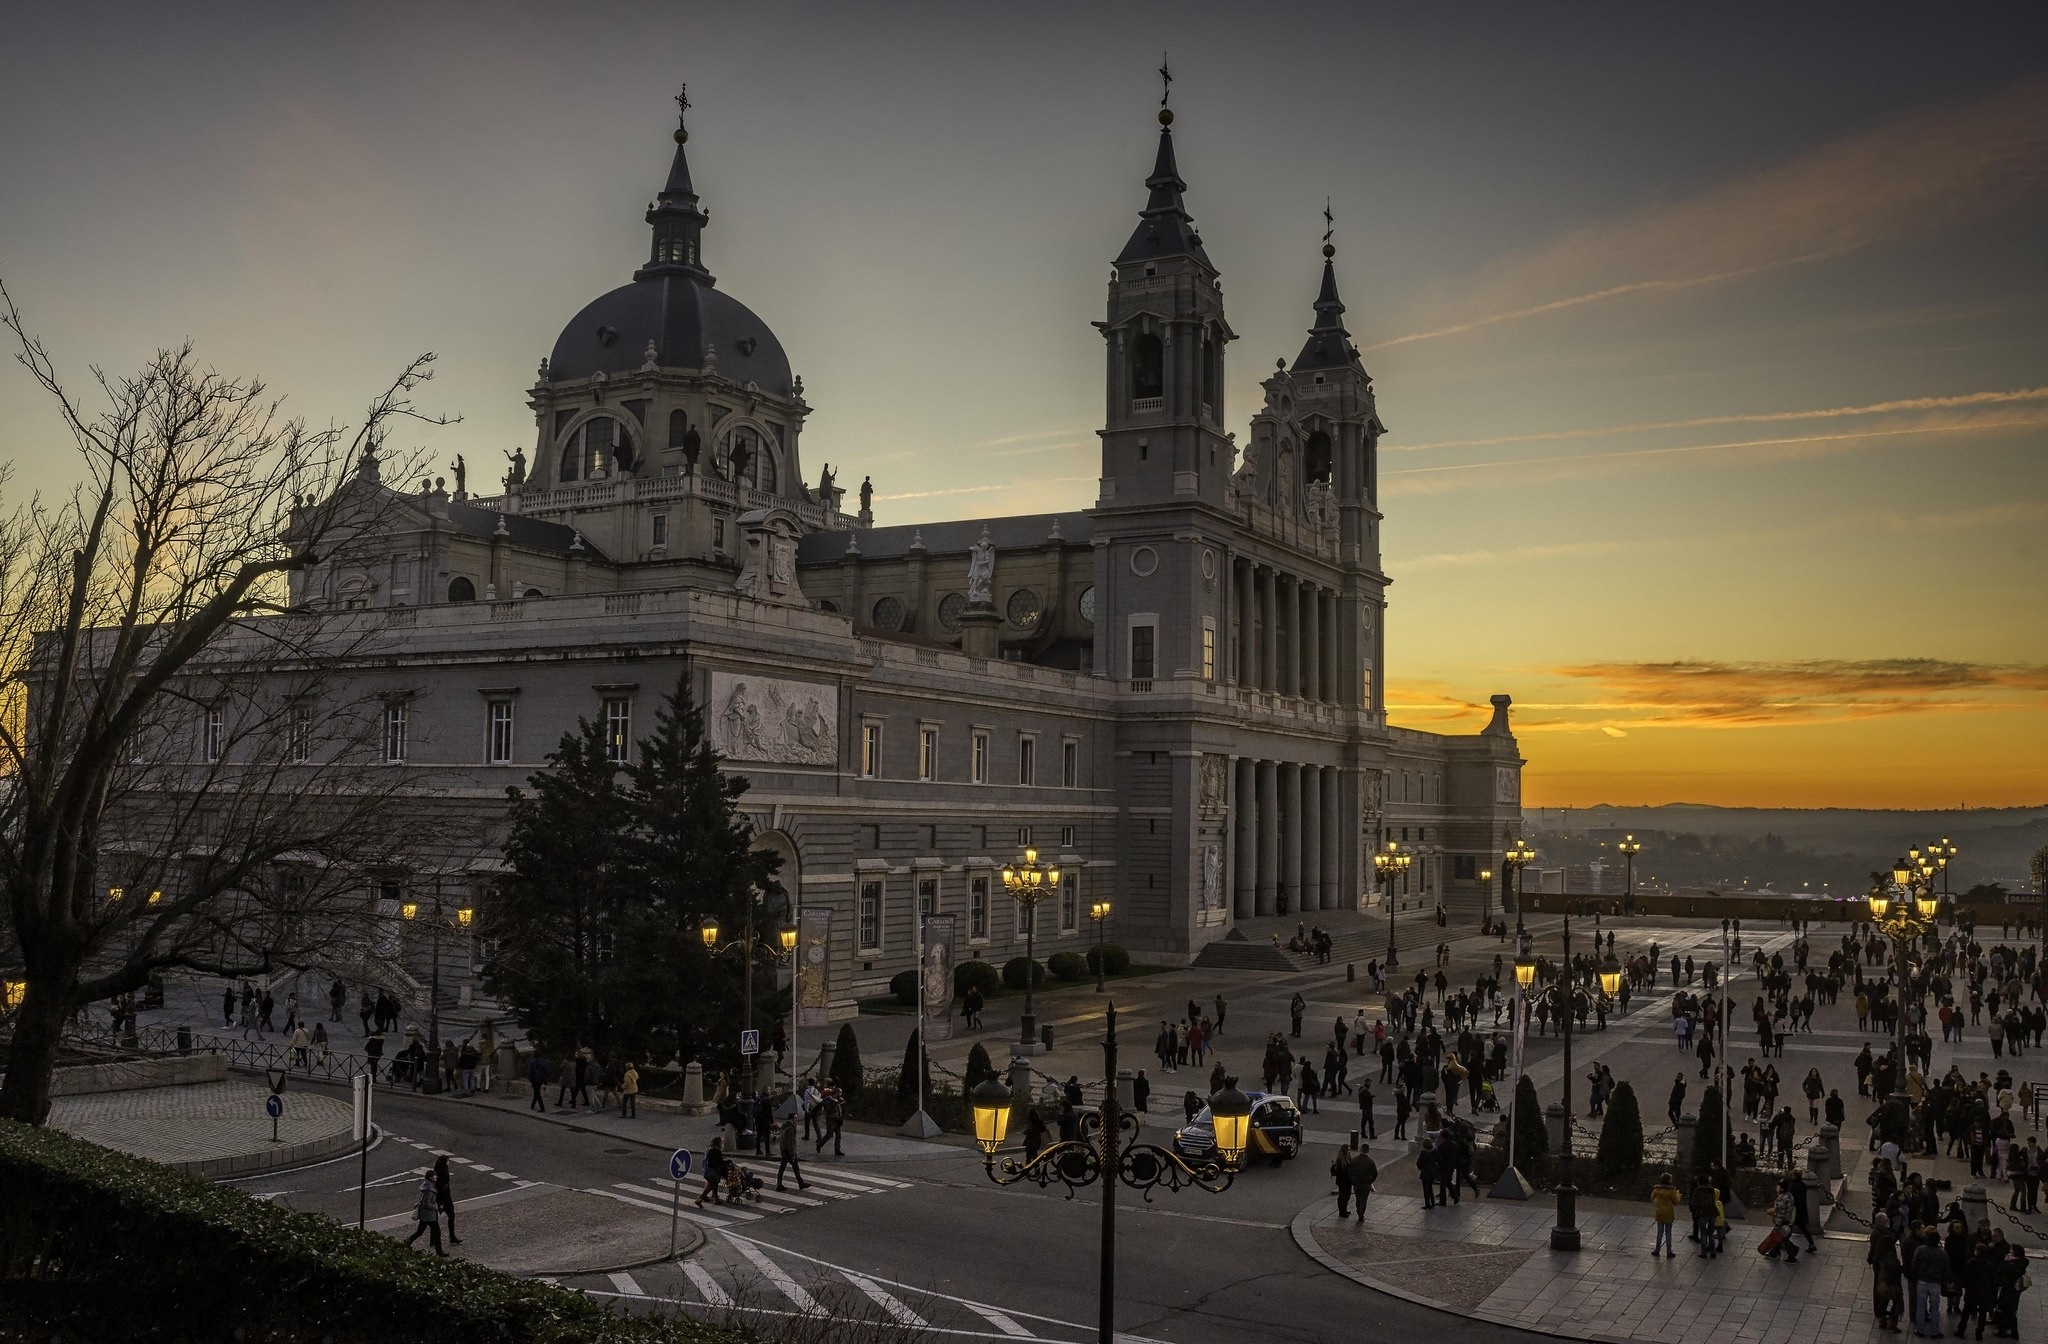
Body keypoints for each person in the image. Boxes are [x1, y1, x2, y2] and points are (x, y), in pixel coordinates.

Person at [1911, 1231, 1948, 1337]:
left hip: (1922, 1280)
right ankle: (1935, 1331)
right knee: (1935, 1309)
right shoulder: (1942, 1253)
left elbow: (1914, 1264)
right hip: (1936, 1283)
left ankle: (1920, 1329)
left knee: (1921, 1306)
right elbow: (1946, 1269)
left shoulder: (1920, 1250)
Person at [404, 1173, 446, 1255]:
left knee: (419, 1232)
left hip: (425, 1215)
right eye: (434, 1175)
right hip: (429, 1216)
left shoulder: (427, 1186)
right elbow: (427, 1204)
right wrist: (436, 1206)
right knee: (437, 1233)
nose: (436, 1176)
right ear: (430, 1177)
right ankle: (439, 1252)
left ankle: (406, 1243)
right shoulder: (430, 1190)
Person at [432, 1154, 463, 1246]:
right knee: (451, 1215)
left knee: (433, 1220)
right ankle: (451, 1236)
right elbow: (442, 1188)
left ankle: (433, 1239)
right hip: (444, 1199)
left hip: (440, 1198)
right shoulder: (443, 1173)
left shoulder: (438, 1170)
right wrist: (441, 1202)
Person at [1649, 1171, 1680, 1258]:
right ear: (1668, 1180)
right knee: (1668, 1232)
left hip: (1659, 1212)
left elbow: (1651, 1198)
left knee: (1659, 1232)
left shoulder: (1657, 1189)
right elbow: (1676, 1201)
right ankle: (1669, 1251)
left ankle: (1657, 1250)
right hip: (1668, 1212)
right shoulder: (1672, 1190)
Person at [776, 1114, 806, 1192]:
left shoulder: (787, 1125)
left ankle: (780, 1184)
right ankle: (800, 1183)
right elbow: (790, 1142)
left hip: (784, 1149)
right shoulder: (790, 1128)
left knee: (784, 1167)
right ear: (792, 1118)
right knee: (795, 1167)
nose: (796, 1119)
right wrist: (792, 1154)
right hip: (788, 1150)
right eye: (795, 1117)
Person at [1332, 1140, 1356, 1218]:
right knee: (1343, 1196)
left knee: (1347, 1196)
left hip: (1347, 1181)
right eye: (1348, 1149)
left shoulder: (1348, 1159)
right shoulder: (1340, 1161)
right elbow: (1340, 1172)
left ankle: (1344, 1210)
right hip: (1343, 1181)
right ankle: (1342, 1211)